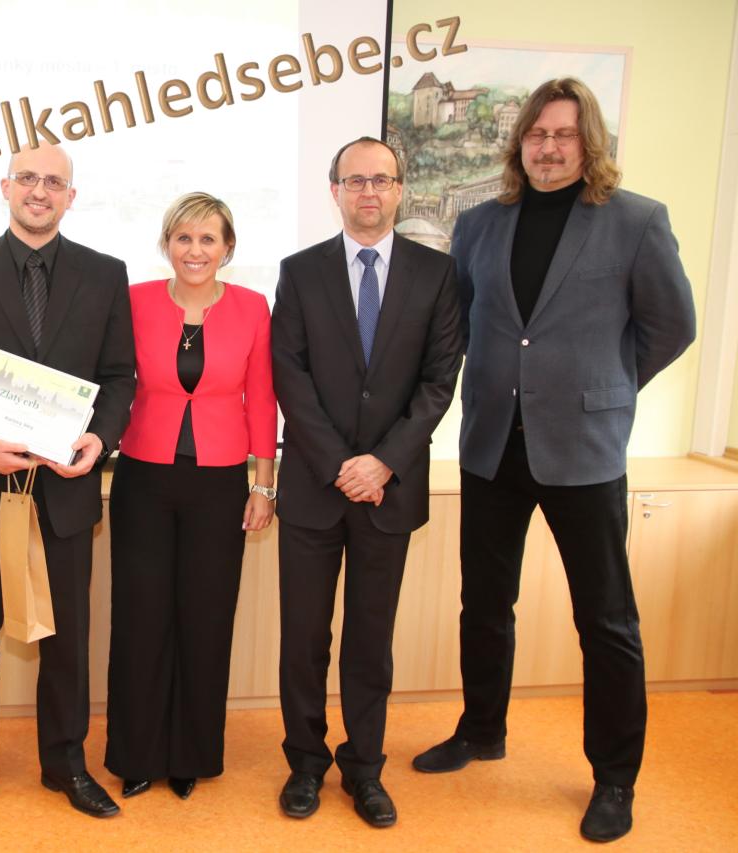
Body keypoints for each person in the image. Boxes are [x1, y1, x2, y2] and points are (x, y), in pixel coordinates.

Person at [412, 78, 696, 843]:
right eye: (537, 134)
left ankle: (615, 776)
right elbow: (460, 322)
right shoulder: (480, 223)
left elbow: (672, 325)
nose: (548, 147)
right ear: (520, 142)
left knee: (606, 620)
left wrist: (606, 386)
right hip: (492, 442)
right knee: (484, 602)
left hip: (585, 450)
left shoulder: (636, 220)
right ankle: (481, 729)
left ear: (588, 141)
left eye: (563, 134)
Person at [0, 141, 135, 821]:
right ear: (6, 187)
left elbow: (119, 376)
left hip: (66, 486)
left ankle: (66, 764)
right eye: (28, 179)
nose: (40, 191)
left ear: (71, 196)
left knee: (67, 639)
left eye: (54, 182)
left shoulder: (105, 274)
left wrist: (101, 438)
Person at [271, 137, 462, 827]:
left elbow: (439, 381)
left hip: (391, 487)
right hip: (313, 488)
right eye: (355, 180)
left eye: (381, 180)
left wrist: (383, 461)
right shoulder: (300, 272)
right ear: (336, 191)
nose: (369, 192)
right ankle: (305, 763)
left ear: (400, 188)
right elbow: (289, 375)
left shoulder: (438, 275)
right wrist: (339, 464)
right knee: (304, 639)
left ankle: (364, 768)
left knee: (370, 640)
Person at [103, 192, 276, 800]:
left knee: (205, 619)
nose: (195, 250)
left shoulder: (253, 307)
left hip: (220, 482)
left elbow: (263, 399)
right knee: (141, 618)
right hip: (143, 479)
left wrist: (263, 485)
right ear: (166, 244)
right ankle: (137, 754)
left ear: (227, 248)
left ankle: (189, 756)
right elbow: (111, 380)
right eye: (183, 237)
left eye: (208, 239)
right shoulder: (133, 301)